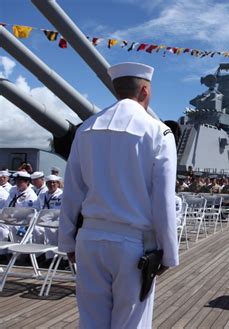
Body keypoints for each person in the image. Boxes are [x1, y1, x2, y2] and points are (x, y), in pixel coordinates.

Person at [58, 62, 179, 328]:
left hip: (89, 241)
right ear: (145, 90)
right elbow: (164, 200)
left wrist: (68, 241)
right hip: (134, 246)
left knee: (90, 322)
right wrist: (169, 253)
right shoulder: (159, 132)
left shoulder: (85, 130)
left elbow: (72, 191)